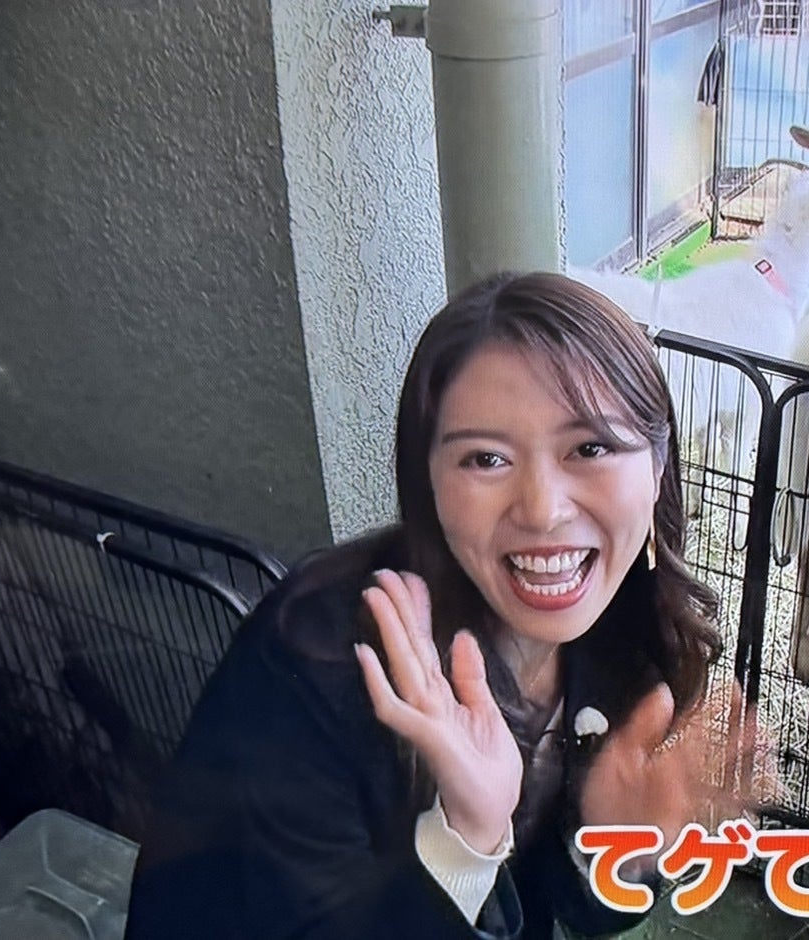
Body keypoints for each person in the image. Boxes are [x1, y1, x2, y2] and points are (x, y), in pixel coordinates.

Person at [127, 272, 734, 939]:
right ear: (429, 483)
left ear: (657, 466)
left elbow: (573, 907)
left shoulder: (628, 644)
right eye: (486, 459)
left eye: (590, 448)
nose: (542, 511)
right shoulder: (315, 662)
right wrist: (463, 841)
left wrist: (616, 845)